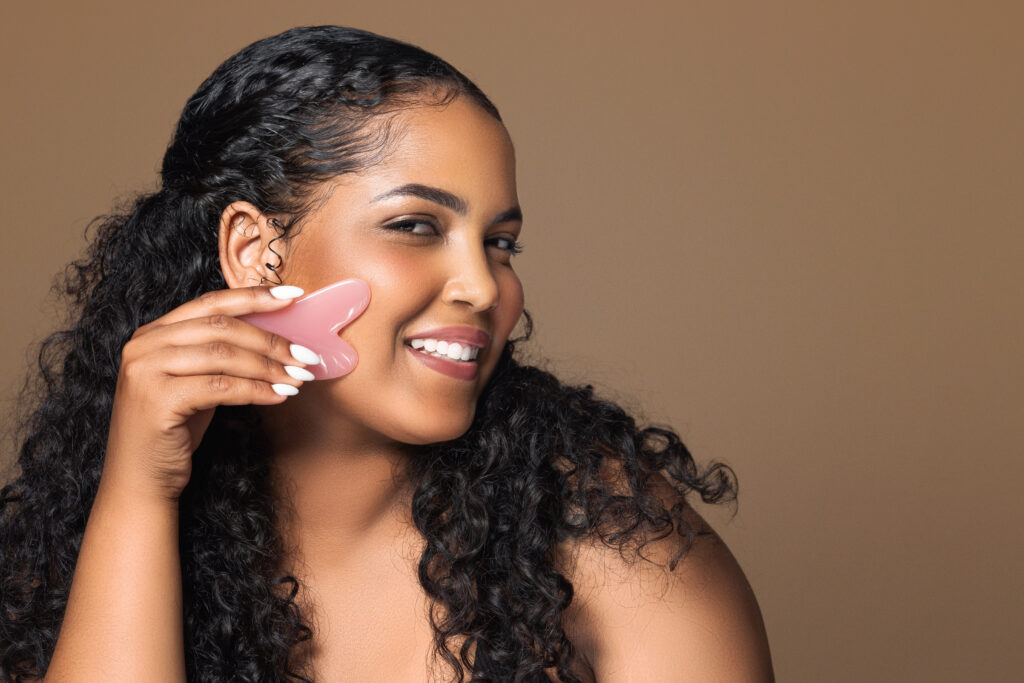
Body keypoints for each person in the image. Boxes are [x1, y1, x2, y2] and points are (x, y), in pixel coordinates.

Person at [0, 26, 773, 682]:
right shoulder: (85, 540)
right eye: (416, 226)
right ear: (254, 251)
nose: (485, 286)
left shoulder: (618, 543)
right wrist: (140, 490)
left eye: (500, 242)